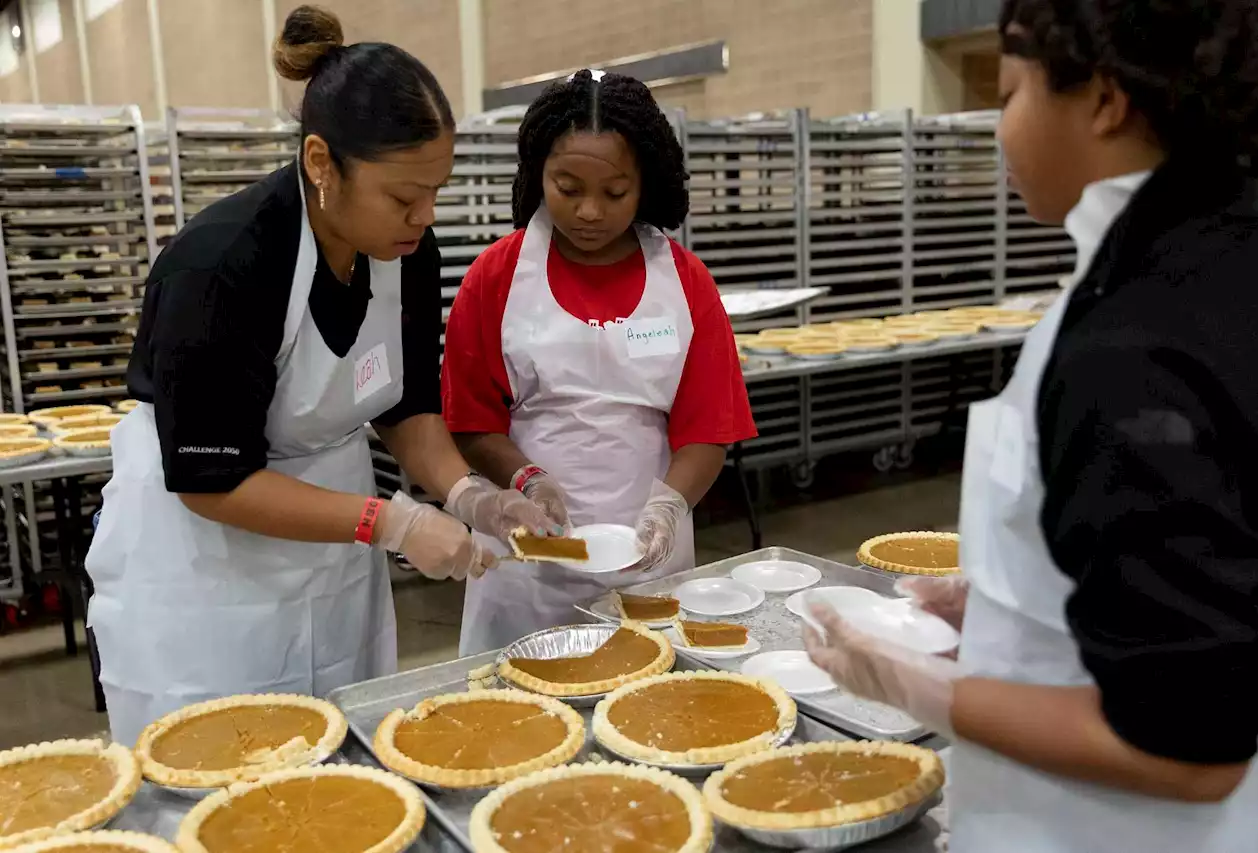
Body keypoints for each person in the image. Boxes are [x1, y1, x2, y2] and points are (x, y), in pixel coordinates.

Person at [804, 2, 1258, 850]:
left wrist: (915, 685)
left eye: (1012, 90)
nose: (999, 126)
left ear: (1104, 101)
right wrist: (1012, 604)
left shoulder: (1141, 342)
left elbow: (1190, 747)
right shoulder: (1228, 266)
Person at [86, 5, 551, 745]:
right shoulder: (221, 264)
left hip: (330, 549)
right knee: (212, 763)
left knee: (337, 752)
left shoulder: (406, 251)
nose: (424, 217)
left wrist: (467, 493)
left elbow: (405, 405)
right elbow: (214, 479)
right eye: (404, 197)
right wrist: (389, 521)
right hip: (204, 566)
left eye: (436, 192)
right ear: (320, 164)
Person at [442, 70, 756, 655]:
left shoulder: (683, 281)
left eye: (614, 193)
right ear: (538, 173)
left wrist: (667, 510)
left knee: (646, 710)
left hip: (648, 554)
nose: (589, 211)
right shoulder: (497, 277)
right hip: (528, 555)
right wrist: (523, 480)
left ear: (646, 184)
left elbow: (708, 428)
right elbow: (472, 421)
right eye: (567, 187)